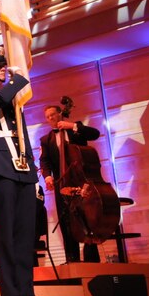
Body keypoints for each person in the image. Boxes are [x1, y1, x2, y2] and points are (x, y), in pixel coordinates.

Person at [0, 47, 46, 296]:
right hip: (0, 162)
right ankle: (11, 292)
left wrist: (33, 168)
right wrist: (17, 79)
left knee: (26, 232)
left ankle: (27, 291)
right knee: (6, 231)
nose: (4, 69)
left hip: (22, 164)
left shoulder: (12, 95)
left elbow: (23, 132)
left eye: (4, 65)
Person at [40, 104, 103, 263]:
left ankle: (91, 258)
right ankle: (72, 258)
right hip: (62, 184)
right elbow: (45, 161)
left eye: (53, 115)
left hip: (82, 182)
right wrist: (47, 177)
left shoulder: (76, 129)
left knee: (87, 218)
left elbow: (95, 134)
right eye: (47, 117)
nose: (51, 119)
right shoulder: (46, 140)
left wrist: (73, 126)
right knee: (66, 220)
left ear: (60, 113)